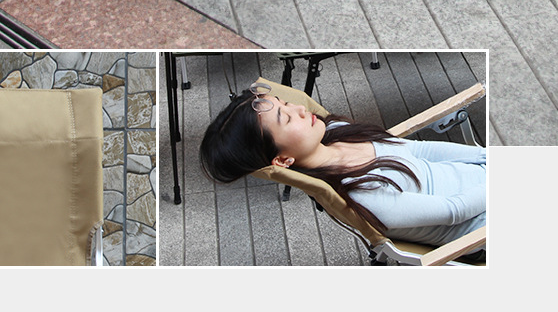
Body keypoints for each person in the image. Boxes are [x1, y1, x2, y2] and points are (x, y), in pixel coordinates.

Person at [200, 81, 486, 248]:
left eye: (284, 103)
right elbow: (454, 211)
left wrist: (485, 157)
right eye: (286, 118)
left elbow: (418, 149)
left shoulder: (337, 131)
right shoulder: (359, 194)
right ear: (283, 160)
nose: (300, 108)